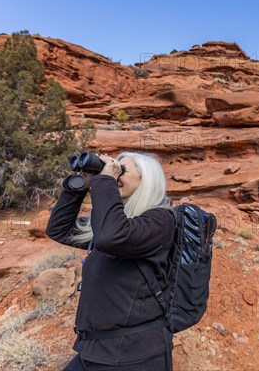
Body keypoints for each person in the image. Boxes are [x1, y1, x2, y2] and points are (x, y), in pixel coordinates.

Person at [46, 152, 176, 371]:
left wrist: (105, 181)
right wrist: (80, 186)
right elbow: (59, 229)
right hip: (95, 350)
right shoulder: (117, 224)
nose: (115, 175)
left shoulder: (161, 221)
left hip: (134, 355)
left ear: (147, 180)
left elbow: (110, 238)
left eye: (122, 170)